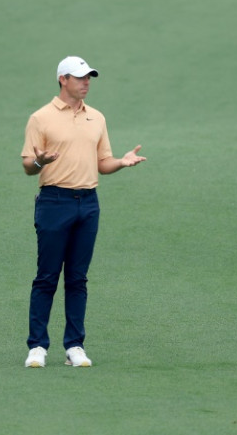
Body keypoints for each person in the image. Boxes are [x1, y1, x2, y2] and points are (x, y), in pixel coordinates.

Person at [21, 56, 146, 368]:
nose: (86, 82)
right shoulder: (41, 118)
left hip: (88, 203)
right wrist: (41, 162)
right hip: (54, 202)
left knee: (78, 278)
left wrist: (122, 162)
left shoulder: (97, 118)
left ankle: (74, 346)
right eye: (80, 78)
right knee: (47, 277)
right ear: (63, 79)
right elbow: (27, 165)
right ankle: (37, 346)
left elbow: (103, 163)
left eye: (89, 77)